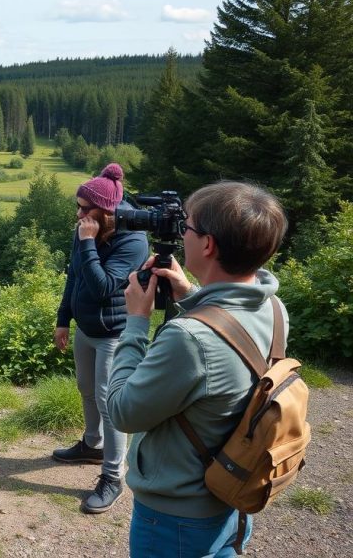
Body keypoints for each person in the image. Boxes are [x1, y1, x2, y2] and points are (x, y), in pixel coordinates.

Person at [107, 181, 288, 557]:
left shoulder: (189, 339)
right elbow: (228, 348)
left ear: (207, 245)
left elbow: (123, 411)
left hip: (176, 517)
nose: (180, 233)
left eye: (185, 226)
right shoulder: (274, 309)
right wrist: (192, 296)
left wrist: (136, 322)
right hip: (232, 492)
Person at [53, 163, 148, 514]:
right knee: (86, 389)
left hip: (113, 333)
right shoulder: (85, 230)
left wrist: (89, 243)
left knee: (110, 403)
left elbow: (104, 285)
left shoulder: (133, 240)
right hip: (85, 327)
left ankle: (113, 476)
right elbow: (75, 278)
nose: (78, 214)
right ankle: (92, 445)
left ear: (105, 211)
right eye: (77, 207)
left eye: (84, 208)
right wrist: (64, 319)